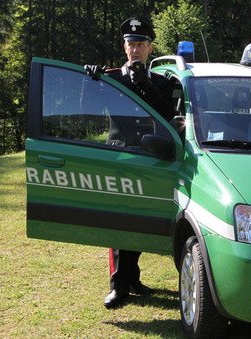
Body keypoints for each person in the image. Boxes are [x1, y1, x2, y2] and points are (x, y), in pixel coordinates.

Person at [84, 17, 168, 309]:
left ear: (150, 47)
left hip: (147, 158)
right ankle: (119, 287)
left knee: (141, 219)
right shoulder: (110, 78)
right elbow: (89, 109)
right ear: (124, 47)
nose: (135, 49)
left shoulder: (159, 82)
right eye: (131, 44)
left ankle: (132, 277)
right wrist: (91, 81)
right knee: (120, 221)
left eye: (141, 44)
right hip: (118, 157)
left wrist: (145, 83)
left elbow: (168, 114)